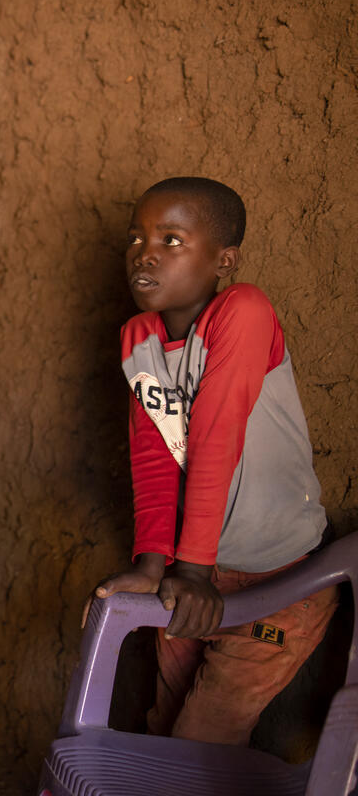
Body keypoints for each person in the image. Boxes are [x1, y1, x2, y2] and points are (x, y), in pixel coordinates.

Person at [86, 177, 338, 744]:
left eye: (172, 239)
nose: (144, 253)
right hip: (193, 576)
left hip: (281, 582)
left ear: (224, 260)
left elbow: (216, 436)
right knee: (163, 727)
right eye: (135, 238)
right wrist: (154, 566)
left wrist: (192, 571)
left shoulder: (243, 311)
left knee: (201, 739)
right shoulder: (138, 338)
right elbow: (153, 458)